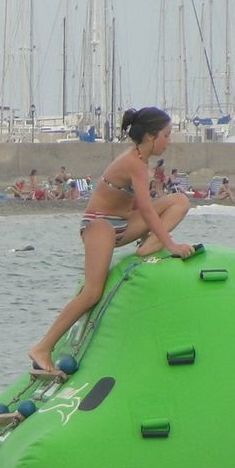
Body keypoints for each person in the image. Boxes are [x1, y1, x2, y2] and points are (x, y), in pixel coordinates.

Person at [28, 106, 193, 375]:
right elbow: (148, 210)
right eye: (167, 134)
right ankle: (43, 347)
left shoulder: (142, 161)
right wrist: (172, 244)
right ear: (151, 136)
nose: (170, 140)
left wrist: (159, 239)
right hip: (99, 225)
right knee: (92, 292)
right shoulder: (134, 163)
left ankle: (149, 247)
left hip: (123, 223)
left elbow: (147, 209)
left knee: (180, 201)